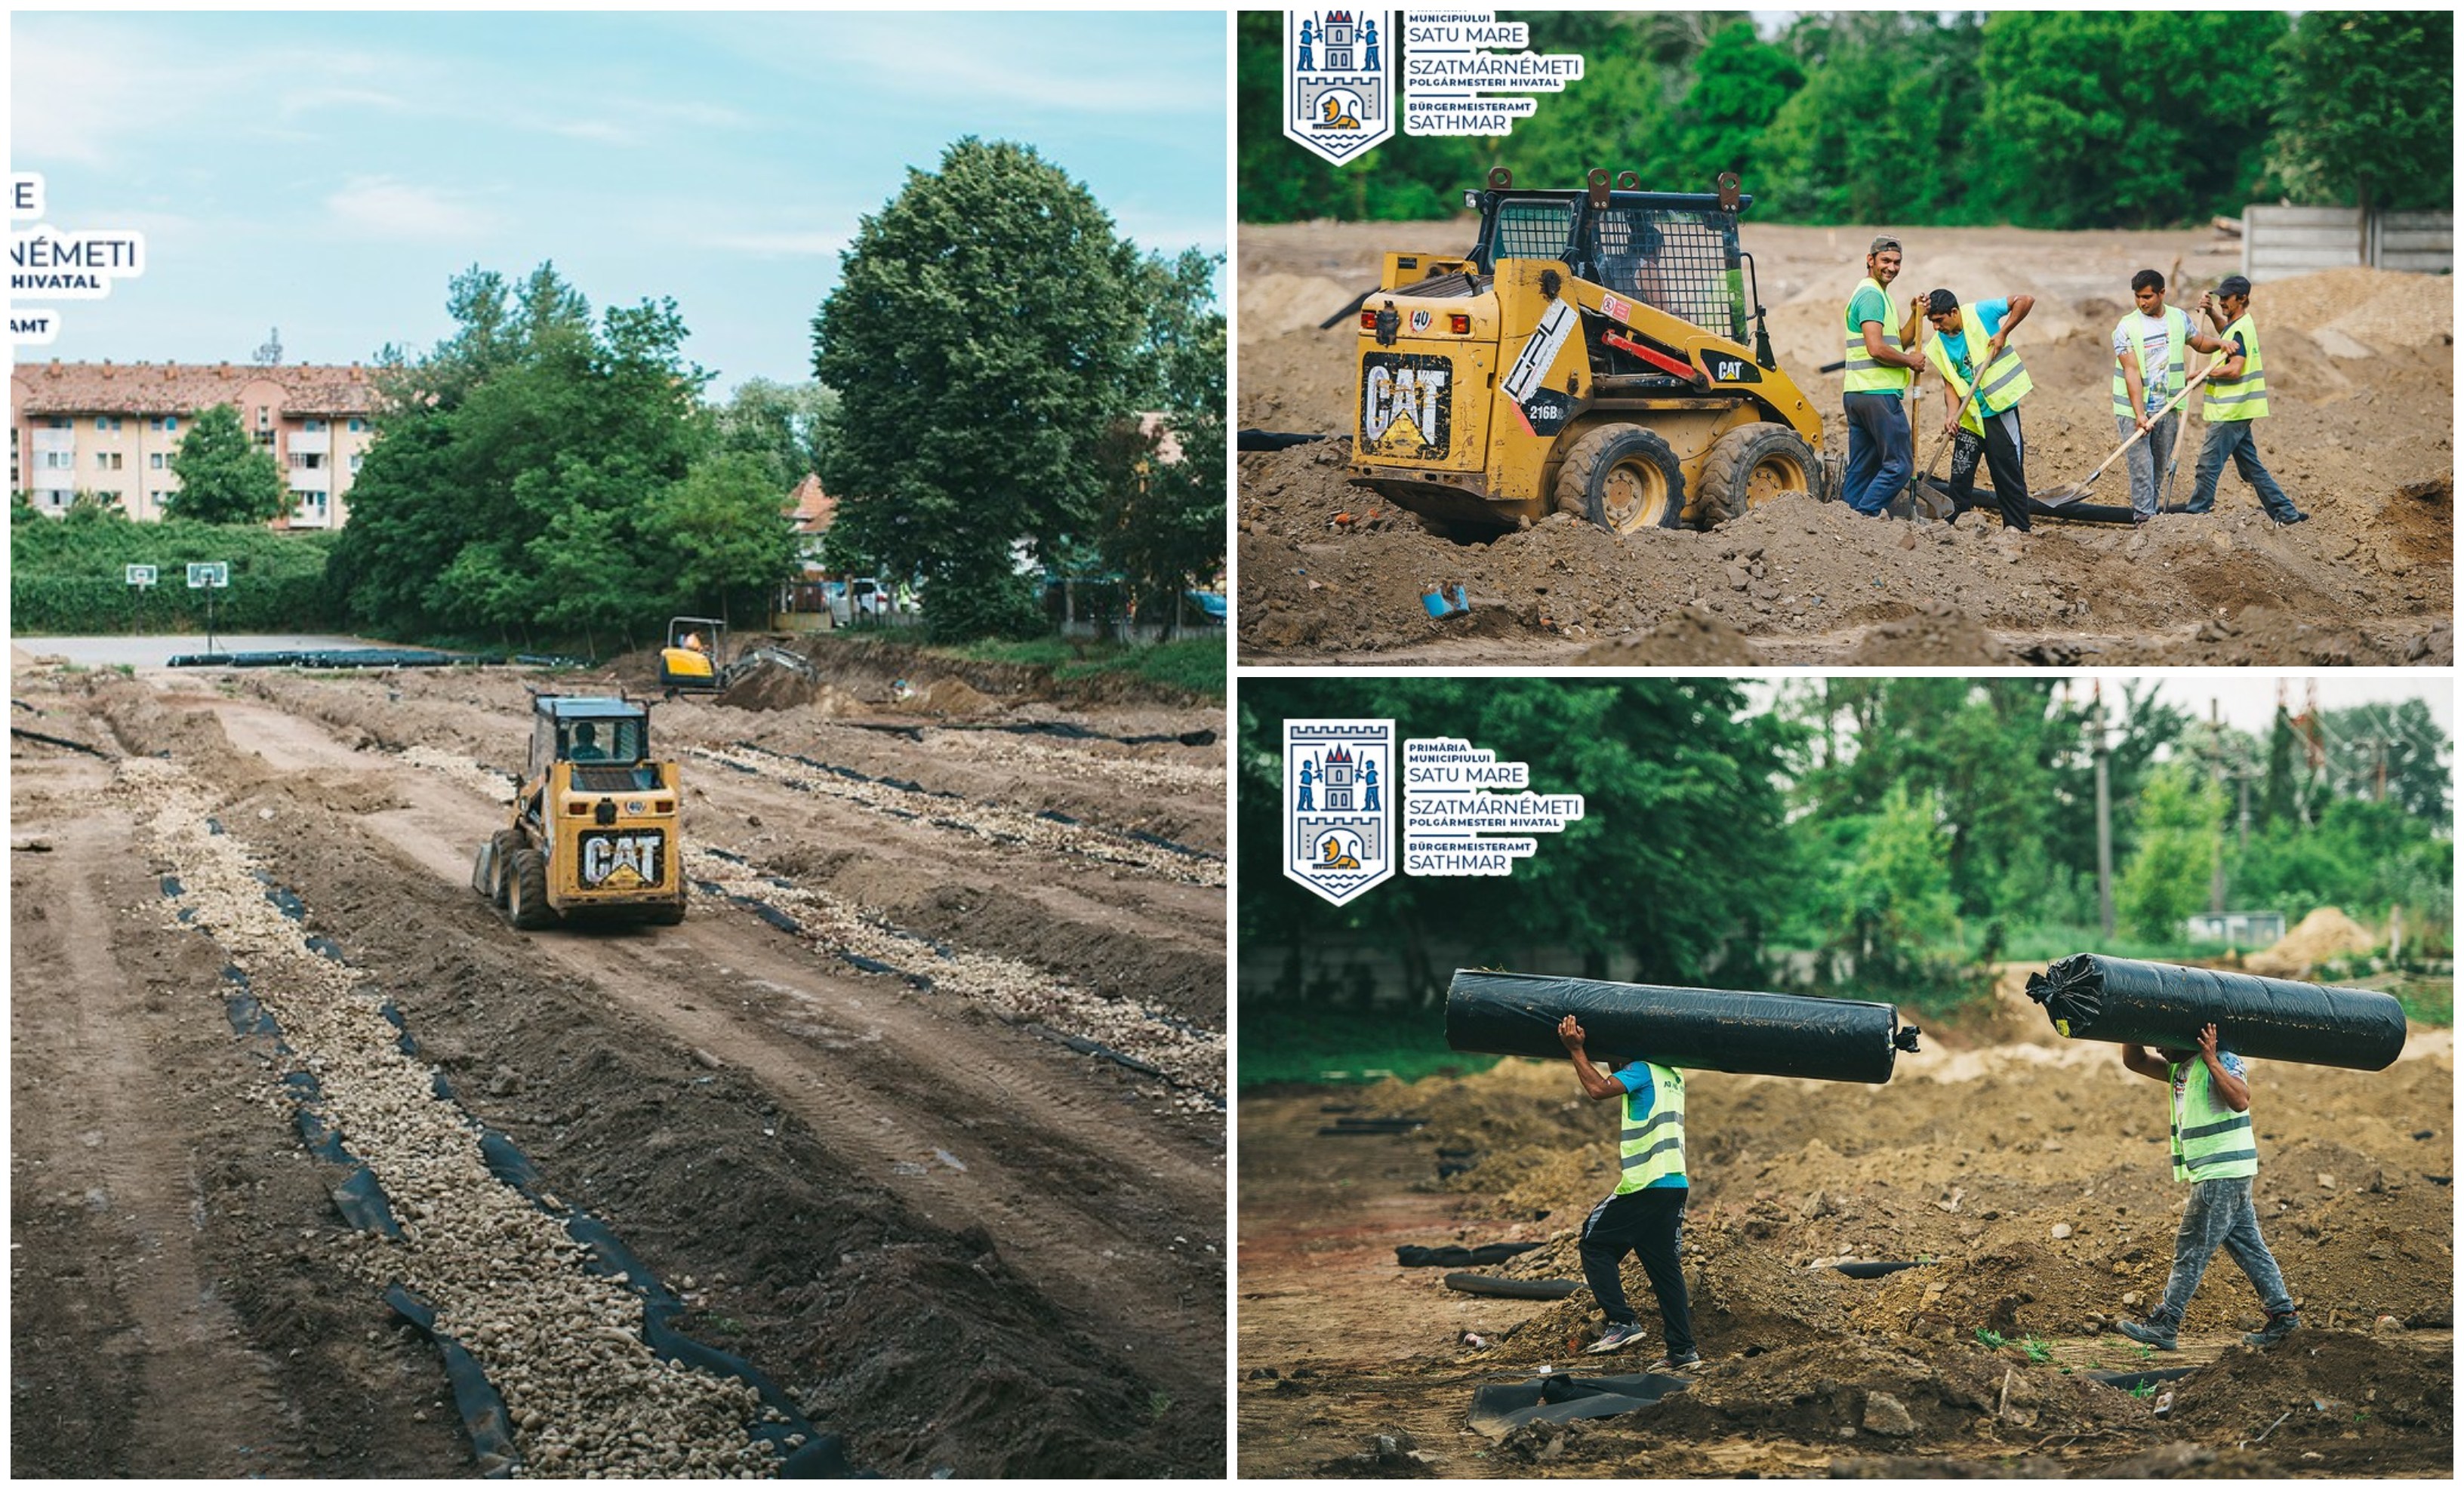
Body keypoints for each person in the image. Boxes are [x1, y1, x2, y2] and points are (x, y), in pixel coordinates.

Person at [2106, 1022, 2300, 1351]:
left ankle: (2167, 1322)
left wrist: (2211, 1058)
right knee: (2249, 1247)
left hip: (2221, 1170)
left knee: (2191, 1245)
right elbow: (2134, 1062)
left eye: (2164, 1041)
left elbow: (2240, 1100)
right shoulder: (2179, 1070)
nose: (2158, 1049)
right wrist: (2131, 1023)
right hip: (2224, 1171)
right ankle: (2283, 1317)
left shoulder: (2224, 1058)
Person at [1557, 1013, 1699, 1369]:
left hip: (1644, 1183)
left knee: (1595, 1242)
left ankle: (1622, 1322)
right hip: (1674, 1184)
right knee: (1665, 1269)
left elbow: (1597, 1089)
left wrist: (1576, 1050)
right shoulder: (1673, 1073)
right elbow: (1620, 1070)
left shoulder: (1643, 1070)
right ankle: (1682, 1351)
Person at [2182, 276, 2307, 524]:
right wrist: (2211, 313)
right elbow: (2226, 336)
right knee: (2250, 467)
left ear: (2242, 299)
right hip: (2239, 409)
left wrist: (2203, 374)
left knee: (2207, 465)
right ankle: (2287, 513)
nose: (2221, 303)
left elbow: (2234, 369)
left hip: (2232, 410)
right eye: (2218, 299)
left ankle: (2196, 515)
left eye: (2226, 299)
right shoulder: (2240, 324)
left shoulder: (2240, 329)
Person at [2111, 269, 2232, 525]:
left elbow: (2198, 342)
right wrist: (2139, 414)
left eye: (2147, 296)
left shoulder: (2178, 318)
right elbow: (2131, 371)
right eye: (2138, 297)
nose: (2142, 302)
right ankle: (2144, 520)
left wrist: (2220, 344)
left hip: (2169, 407)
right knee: (2142, 468)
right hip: (2135, 411)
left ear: (2162, 293)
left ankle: (2151, 520)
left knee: (2157, 469)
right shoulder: (2126, 327)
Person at [1922, 288, 2037, 532]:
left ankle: (2017, 531)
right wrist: (1951, 415)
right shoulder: (1937, 345)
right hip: (1970, 418)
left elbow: (2025, 299)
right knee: (1960, 474)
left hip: (1998, 411)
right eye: (1932, 322)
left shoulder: (1978, 313)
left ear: (1954, 312)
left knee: (2008, 475)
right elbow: (1950, 385)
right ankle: (1953, 527)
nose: (1936, 328)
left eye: (1939, 321)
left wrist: (2004, 332)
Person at [1838, 237, 1928, 516]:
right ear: (1870, 260)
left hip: (1857, 394)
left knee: (1863, 467)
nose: (1891, 267)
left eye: (1897, 262)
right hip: (1876, 394)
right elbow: (1876, 348)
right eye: (1885, 261)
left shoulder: (1879, 295)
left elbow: (1897, 341)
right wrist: (1910, 361)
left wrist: (1915, 316)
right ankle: (1864, 515)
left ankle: (1846, 519)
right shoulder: (1871, 296)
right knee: (1900, 465)